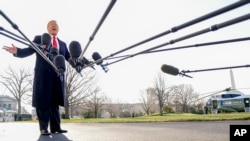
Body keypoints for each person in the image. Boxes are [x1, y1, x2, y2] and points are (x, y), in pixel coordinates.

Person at [3, 20, 70, 136]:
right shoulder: (40, 39)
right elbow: (29, 50)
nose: (54, 26)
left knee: (55, 103)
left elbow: (69, 58)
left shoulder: (63, 44)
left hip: (57, 76)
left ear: (58, 29)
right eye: (51, 24)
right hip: (43, 75)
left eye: (56, 25)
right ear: (47, 28)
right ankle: (44, 128)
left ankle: (56, 127)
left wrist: (81, 62)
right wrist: (17, 51)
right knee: (43, 101)